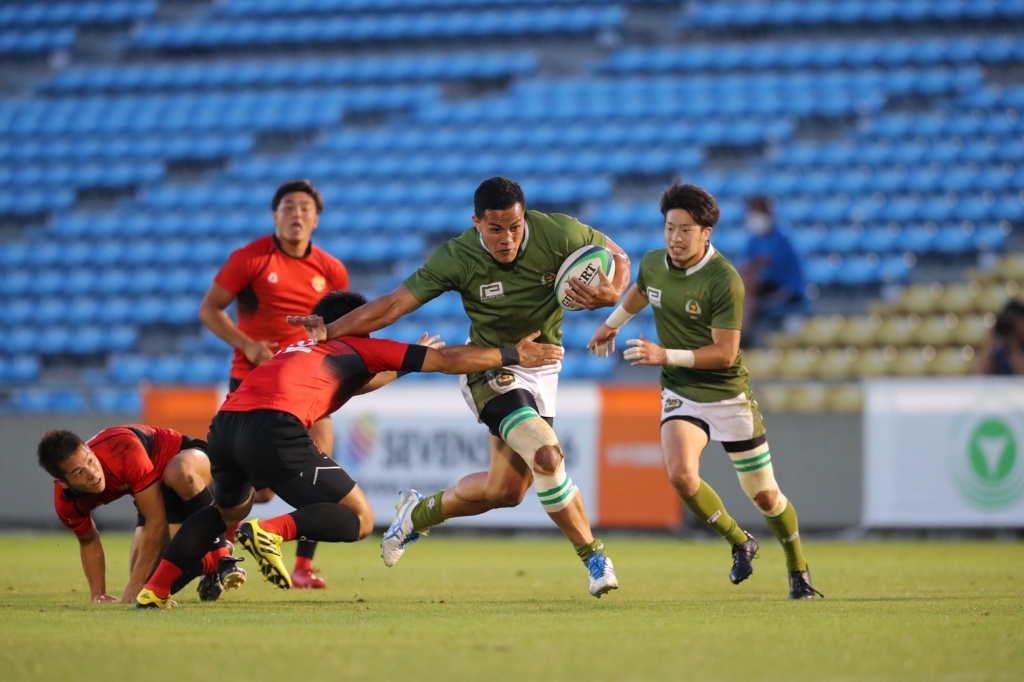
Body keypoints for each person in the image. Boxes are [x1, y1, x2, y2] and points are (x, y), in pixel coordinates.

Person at [288, 176, 631, 598]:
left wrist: (612, 290)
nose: (507, 239)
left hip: (543, 364)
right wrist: (332, 330)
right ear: (476, 223)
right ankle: (595, 559)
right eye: (495, 230)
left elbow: (618, 255)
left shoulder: (558, 231)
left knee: (505, 492)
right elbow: (395, 304)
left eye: (515, 228)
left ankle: (416, 514)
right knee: (546, 453)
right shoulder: (457, 256)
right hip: (491, 366)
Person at [136, 290, 563, 608]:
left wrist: (393, 371)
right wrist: (512, 354)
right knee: (361, 518)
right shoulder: (359, 344)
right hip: (274, 428)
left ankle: (154, 591)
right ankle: (269, 532)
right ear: (359, 322)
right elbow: (450, 360)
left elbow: (349, 385)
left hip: (225, 426)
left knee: (223, 512)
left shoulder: (296, 346)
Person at [586, 182, 822, 600]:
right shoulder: (655, 263)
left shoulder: (724, 280)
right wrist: (613, 323)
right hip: (682, 393)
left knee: (766, 496)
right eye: (669, 228)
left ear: (706, 232)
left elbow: (726, 354)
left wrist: (665, 354)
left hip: (728, 395)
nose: (675, 238)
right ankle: (739, 541)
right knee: (680, 474)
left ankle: (797, 568)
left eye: (685, 230)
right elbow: (642, 291)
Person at [199, 178, 349, 589]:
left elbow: (339, 327)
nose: (296, 213)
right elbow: (210, 309)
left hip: (306, 386)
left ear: (316, 219)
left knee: (324, 469)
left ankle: (303, 566)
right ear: (275, 215)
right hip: (254, 387)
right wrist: (246, 345)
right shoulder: (251, 259)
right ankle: (218, 553)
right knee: (255, 492)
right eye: (287, 206)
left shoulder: (331, 269)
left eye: (304, 207)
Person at [37, 425, 245, 605]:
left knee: (176, 471)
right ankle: (208, 564)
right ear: (62, 483)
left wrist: (135, 584)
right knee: (150, 588)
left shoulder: (121, 449)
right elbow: (88, 540)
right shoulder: (66, 504)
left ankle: (222, 556)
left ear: (90, 450)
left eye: (90, 461)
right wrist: (98, 595)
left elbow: (156, 522)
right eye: (78, 473)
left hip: (185, 456)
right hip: (156, 493)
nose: (93, 474)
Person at [738, 195, 808, 347]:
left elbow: (768, 270)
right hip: (764, 289)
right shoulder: (753, 241)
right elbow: (747, 268)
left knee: (748, 293)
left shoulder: (782, 239)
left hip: (787, 290)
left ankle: (744, 335)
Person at [974, 299, 1024, 376]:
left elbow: (1021, 373)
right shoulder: (998, 348)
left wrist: (1014, 347)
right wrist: (991, 340)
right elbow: (978, 375)